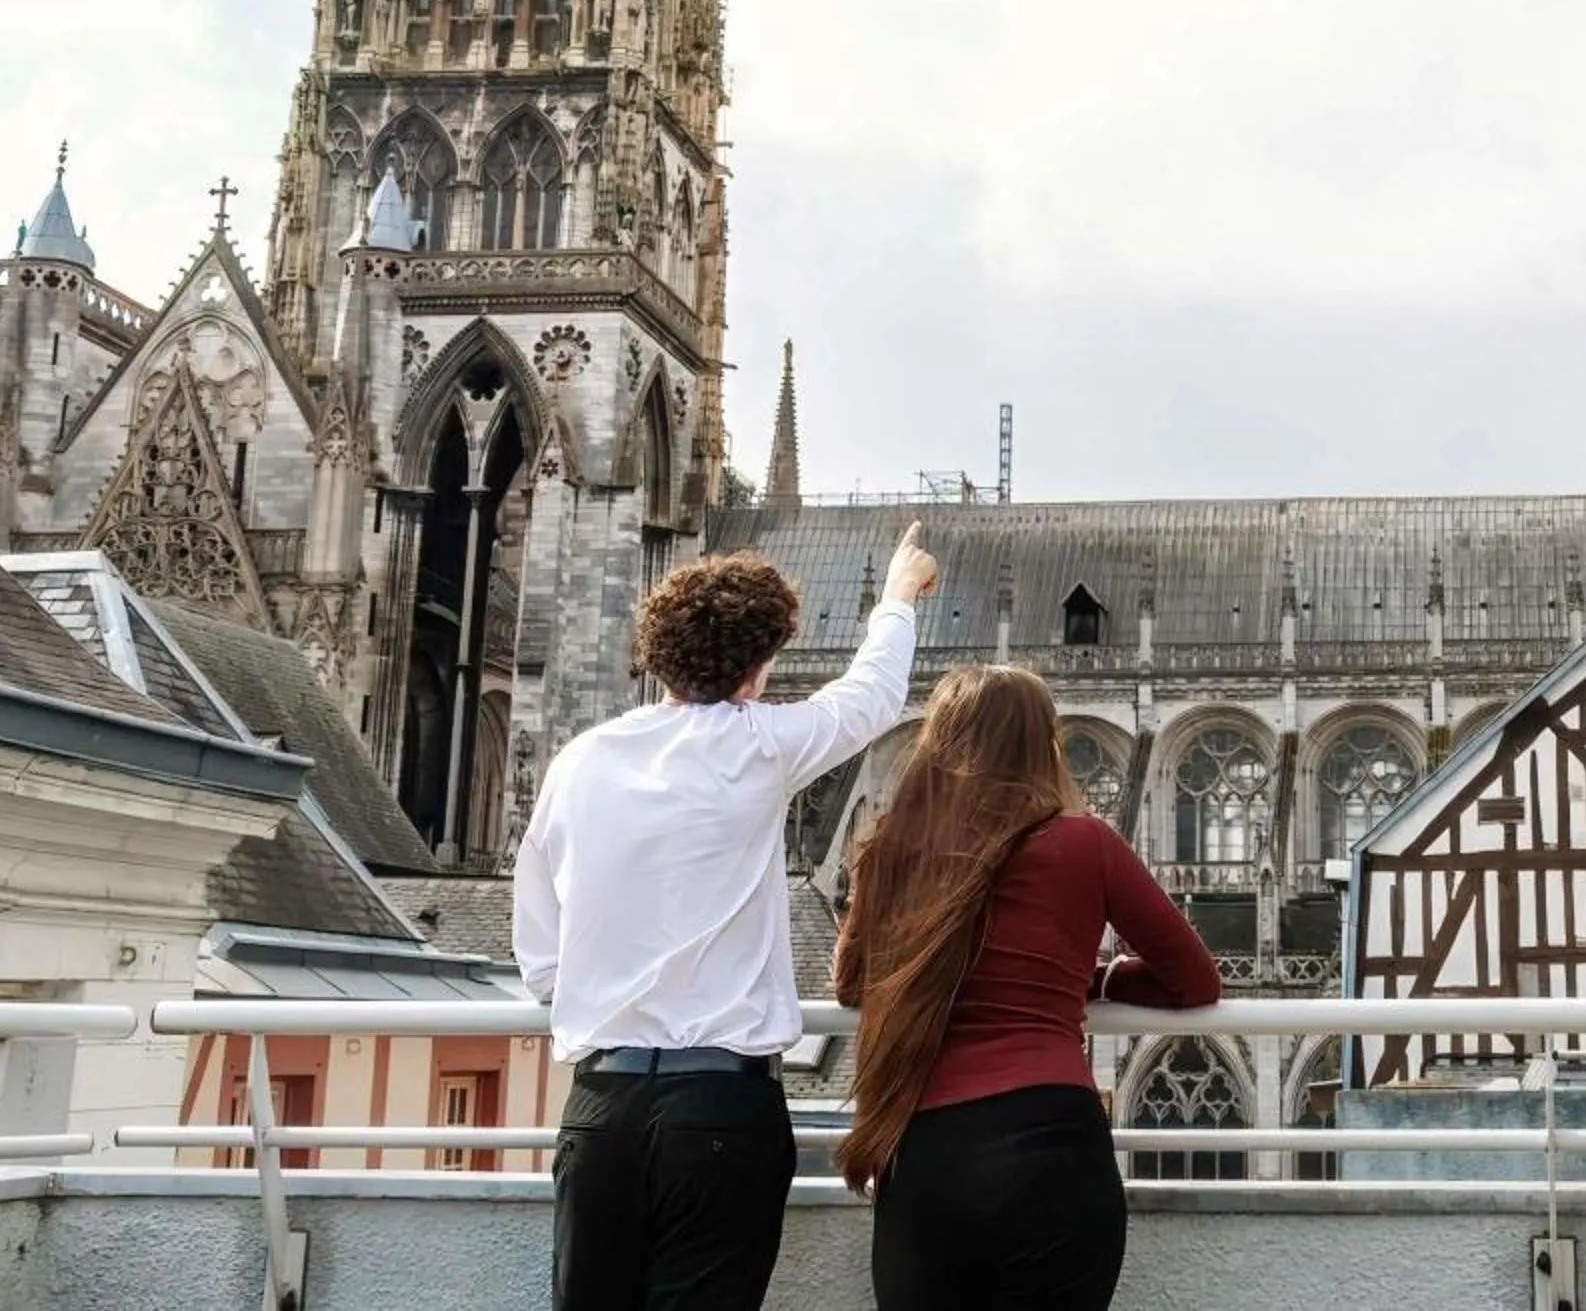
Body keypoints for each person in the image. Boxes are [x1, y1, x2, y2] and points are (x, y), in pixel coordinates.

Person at [514, 523, 939, 1311]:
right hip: (720, 1103)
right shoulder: (759, 745)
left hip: (600, 1105)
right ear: (758, 664)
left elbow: (540, 953)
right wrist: (897, 596)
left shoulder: (579, 761)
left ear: (659, 657)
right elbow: (872, 696)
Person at [832, 664, 1221, 1311]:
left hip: (926, 1149)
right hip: (1052, 1139)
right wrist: (1093, 980)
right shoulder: (1085, 841)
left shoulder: (892, 849)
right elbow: (1195, 980)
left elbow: (851, 986)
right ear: (1043, 745)